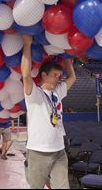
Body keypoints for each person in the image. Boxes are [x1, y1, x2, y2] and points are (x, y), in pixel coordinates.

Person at [21, 35, 76, 189]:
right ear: (44, 75)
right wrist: (27, 45)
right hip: (39, 151)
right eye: (54, 75)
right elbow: (26, 75)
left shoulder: (58, 92)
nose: (58, 79)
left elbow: (72, 77)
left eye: (59, 76)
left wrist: (67, 56)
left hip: (59, 150)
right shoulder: (34, 94)